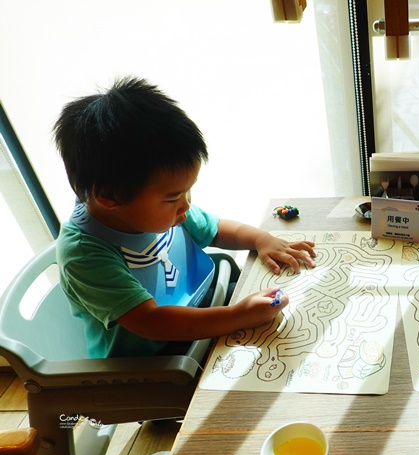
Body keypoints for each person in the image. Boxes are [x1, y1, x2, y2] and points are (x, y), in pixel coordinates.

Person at [54, 76, 316, 359]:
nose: (186, 205)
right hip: (151, 364)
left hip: (198, 312)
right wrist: (239, 315)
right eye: (173, 197)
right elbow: (153, 322)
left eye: (188, 191)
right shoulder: (84, 255)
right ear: (110, 196)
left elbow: (215, 229)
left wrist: (261, 239)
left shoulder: (148, 209)